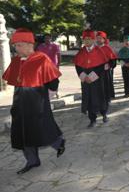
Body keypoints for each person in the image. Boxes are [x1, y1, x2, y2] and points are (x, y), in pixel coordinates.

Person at [2, 28, 65, 174]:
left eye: (19, 45)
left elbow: (53, 81)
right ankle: (32, 161)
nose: (15, 48)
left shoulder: (41, 59)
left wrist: (48, 96)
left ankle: (59, 143)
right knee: (23, 131)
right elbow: (14, 80)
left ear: (29, 45)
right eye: (15, 45)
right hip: (19, 100)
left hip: (38, 100)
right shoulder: (16, 61)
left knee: (42, 128)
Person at [74, 30, 109, 128]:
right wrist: (83, 76)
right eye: (85, 39)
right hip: (85, 80)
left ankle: (104, 114)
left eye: (89, 39)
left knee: (100, 96)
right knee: (88, 98)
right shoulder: (80, 52)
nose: (87, 41)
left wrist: (92, 77)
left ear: (93, 40)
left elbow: (101, 66)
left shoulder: (99, 51)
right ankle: (92, 119)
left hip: (97, 79)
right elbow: (77, 66)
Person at [96, 31, 117, 100]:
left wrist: (109, 65)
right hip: (96, 70)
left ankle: (108, 97)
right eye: (97, 38)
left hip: (105, 70)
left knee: (106, 84)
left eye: (100, 38)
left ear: (104, 39)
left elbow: (113, 60)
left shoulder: (107, 48)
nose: (98, 40)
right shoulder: (94, 48)